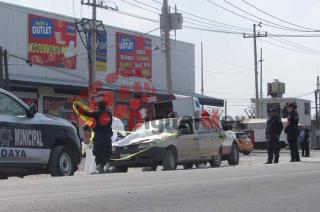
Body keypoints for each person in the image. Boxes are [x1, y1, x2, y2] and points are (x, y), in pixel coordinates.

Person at [75, 99, 113, 173]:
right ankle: (101, 166)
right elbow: (110, 124)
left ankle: (99, 166)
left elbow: (86, 114)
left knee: (97, 153)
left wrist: (78, 108)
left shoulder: (95, 114)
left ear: (98, 107)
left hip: (98, 137)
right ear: (105, 107)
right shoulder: (109, 114)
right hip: (107, 137)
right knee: (108, 154)